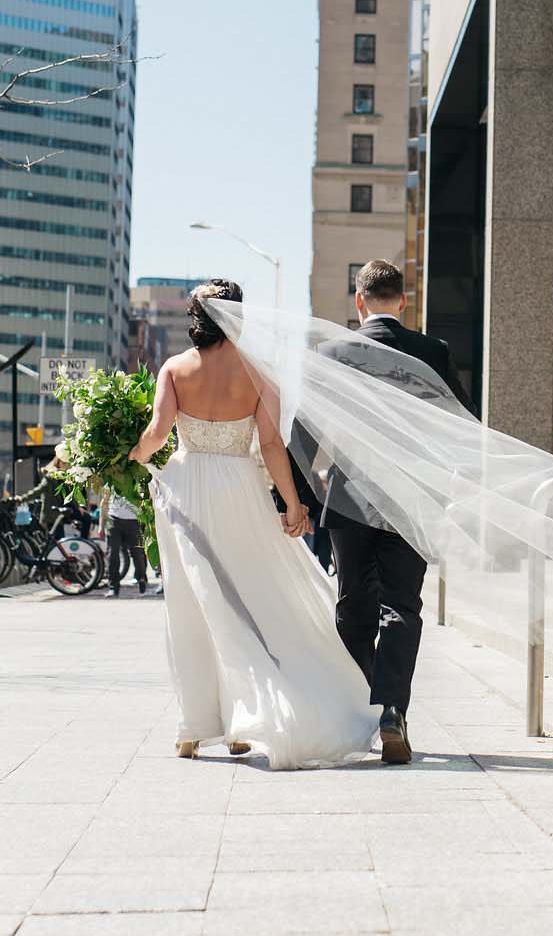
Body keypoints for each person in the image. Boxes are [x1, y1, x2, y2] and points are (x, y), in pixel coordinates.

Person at [125, 279, 380, 769]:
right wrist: (292, 505)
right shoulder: (260, 374)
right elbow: (269, 445)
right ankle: (243, 722)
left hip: (185, 490)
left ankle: (195, 728)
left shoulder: (175, 369)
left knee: (192, 605)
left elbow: (157, 433)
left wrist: (131, 458)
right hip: (239, 489)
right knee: (244, 603)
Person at [308, 259, 468, 766]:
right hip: (410, 498)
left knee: (353, 604)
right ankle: (392, 711)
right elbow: (461, 423)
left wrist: (305, 495)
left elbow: (304, 427)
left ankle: (357, 714)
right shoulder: (431, 352)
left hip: (351, 498)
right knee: (402, 606)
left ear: (359, 302)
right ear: (403, 301)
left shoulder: (332, 352)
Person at [104, 488, 149, 597]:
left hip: (133, 521)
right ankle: (113, 587)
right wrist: (101, 525)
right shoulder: (110, 476)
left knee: (137, 554)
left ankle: (141, 579)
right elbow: (104, 501)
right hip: (113, 519)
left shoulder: (136, 477)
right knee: (112, 553)